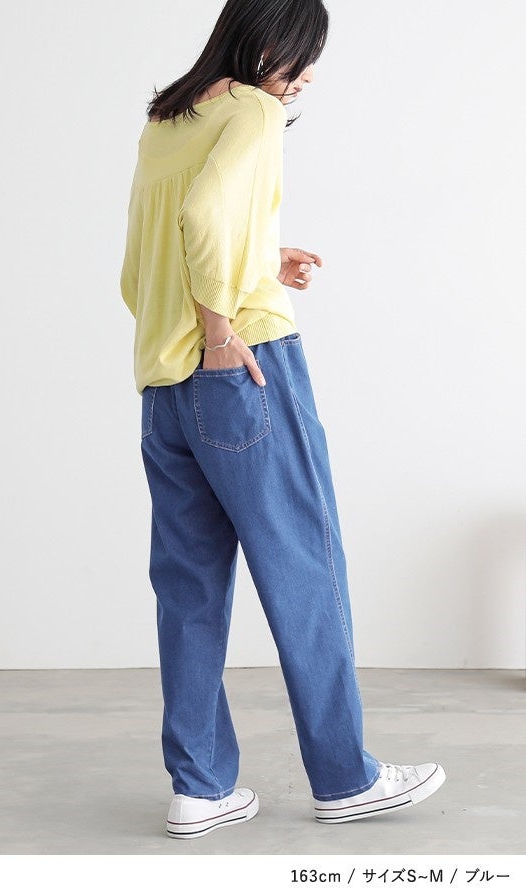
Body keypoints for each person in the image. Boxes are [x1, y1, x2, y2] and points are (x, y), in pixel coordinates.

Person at [119, 0, 446, 840]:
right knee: (304, 562)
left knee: (189, 588)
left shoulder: (168, 119)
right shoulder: (253, 111)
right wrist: (222, 327)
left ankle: (199, 788)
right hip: (243, 368)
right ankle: (346, 777)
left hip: (164, 386)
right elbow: (203, 223)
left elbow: (144, 262)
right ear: (268, 41)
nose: (305, 76)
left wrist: (261, 260)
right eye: (302, 55)